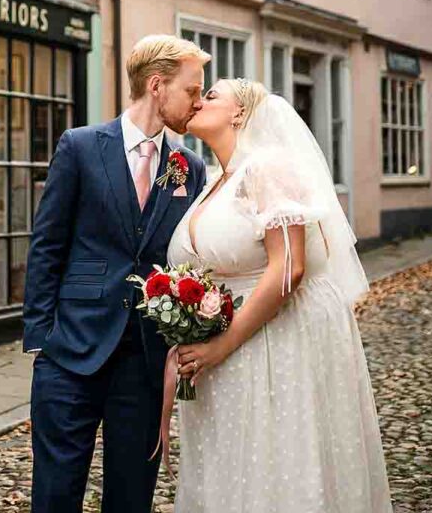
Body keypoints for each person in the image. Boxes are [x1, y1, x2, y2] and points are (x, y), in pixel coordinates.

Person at [168, 78, 393, 513]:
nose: (198, 101)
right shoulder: (213, 182)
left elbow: (289, 267)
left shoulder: (268, 168)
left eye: (211, 95)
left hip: (271, 343)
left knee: (273, 462)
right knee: (232, 467)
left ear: (239, 113)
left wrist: (222, 344)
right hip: (225, 356)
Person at [23, 34, 209, 513]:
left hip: (144, 363)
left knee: (131, 499)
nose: (197, 102)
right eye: (191, 90)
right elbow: (47, 245)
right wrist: (42, 336)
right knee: (54, 494)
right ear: (156, 86)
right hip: (70, 353)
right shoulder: (81, 147)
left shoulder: (189, 168)